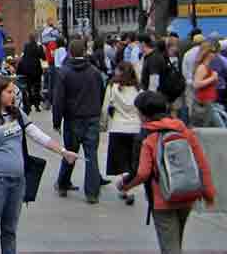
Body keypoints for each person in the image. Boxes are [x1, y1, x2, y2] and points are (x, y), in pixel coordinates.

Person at [0, 75, 77, 254]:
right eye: (9, 92)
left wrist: (63, 152)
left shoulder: (17, 113)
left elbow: (37, 134)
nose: (13, 95)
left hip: (18, 181)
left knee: (10, 230)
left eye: (13, 92)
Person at [119, 91, 216, 254]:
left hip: (163, 198)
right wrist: (208, 192)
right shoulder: (183, 130)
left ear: (144, 114)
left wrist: (125, 184)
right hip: (187, 194)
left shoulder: (147, 136)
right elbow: (201, 163)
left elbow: (142, 173)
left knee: (170, 247)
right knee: (176, 241)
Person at [52, 36, 105, 204]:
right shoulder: (94, 72)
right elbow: (101, 92)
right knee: (91, 155)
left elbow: (58, 99)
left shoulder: (64, 72)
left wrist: (56, 120)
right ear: (85, 51)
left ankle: (63, 183)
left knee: (70, 152)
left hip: (72, 118)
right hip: (91, 117)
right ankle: (92, 193)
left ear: (69, 52)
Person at [101, 63, 141, 206]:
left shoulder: (113, 87)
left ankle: (126, 188)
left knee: (122, 161)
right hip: (135, 128)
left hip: (118, 127)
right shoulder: (138, 89)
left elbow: (105, 108)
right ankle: (129, 190)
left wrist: (103, 125)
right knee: (133, 162)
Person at [189, 41, 220, 128]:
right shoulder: (202, 67)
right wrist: (212, 78)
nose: (215, 54)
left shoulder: (206, 66)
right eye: (213, 52)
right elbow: (196, 84)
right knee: (206, 128)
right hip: (204, 103)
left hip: (208, 101)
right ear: (207, 53)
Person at [16, 35, 44, 114]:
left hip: (27, 70)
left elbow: (23, 56)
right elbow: (43, 57)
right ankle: (37, 105)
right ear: (35, 38)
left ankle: (30, 104)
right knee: (37, 87)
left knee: (28, 88)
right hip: (36, 70)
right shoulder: (38, 46)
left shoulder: (26, 46)